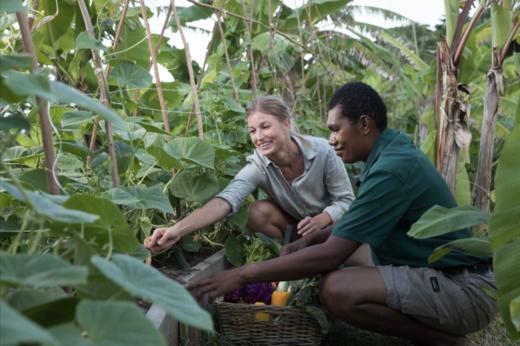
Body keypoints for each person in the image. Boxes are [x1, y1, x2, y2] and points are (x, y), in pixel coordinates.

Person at [188, 82, 497, 346]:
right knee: (349, 255)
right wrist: (306, 242)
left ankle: (444, 341)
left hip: (466, 293)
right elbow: (347, 229)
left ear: (364, 124)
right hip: (445, 274)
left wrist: (242, 273)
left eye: (336, 129)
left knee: (336, 290)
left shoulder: (391, 170)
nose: (332, 139)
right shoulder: (391, 152)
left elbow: (331, 256)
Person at [144, 95, 355, 252]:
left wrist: (323, 218)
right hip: (298, 229)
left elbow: (347, 201)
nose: (259, 136)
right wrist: (176, 230)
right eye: (253, 131)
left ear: (286, 124)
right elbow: (225, 201)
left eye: (265, 126)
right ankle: (289, 254)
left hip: (334, 227)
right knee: (257, 212)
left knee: (343, 238)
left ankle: (321, 253)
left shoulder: (323, 151)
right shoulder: (259, 166)